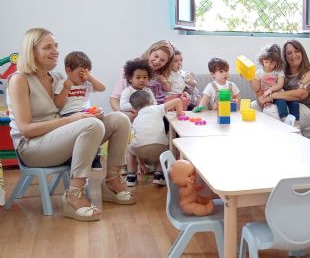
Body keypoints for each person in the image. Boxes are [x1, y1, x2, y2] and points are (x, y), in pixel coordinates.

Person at [7, 28, 134, 222]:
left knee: (119, 119)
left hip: (58, 138)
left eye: (56, 46)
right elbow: (26, 129)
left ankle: (111, 183)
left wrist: (90, 114)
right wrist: (74, 119)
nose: (56, 51)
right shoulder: (19, 80)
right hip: (32, 146)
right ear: (31, 51)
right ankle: (74, 195)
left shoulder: (57, 78)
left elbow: (83, 97)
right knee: (91, 125)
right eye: (48, 47)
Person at [53, 51, 106, 170]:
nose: (83, 76)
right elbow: (58, 104)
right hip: (69, 115)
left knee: (98, 125)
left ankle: (95, 157)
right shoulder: (62, 84)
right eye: (80, 73)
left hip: (86, 112)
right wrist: (66, 88)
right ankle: (74, 158)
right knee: (83, 132)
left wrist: (90, 78)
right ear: (68, 70)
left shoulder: (86, 83)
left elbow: (102, 88)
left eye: (86, 72)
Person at [126, 91, 184, 187]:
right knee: (167, 146)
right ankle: (159, 174)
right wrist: (179, 114)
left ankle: (131, 176)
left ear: (134, 109)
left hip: (140, 149)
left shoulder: (136, 119)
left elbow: (139, 140)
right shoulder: (157, 108)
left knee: (130, 150)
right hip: (160, 148)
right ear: (151, 101)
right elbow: (177, 100)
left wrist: (142, 164)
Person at [256, 40, 310, 130]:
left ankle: (294, 134)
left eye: (297, 51)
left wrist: (272, 96)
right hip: (282, 102)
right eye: (289, 53)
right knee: (253, 107)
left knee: (269, 112)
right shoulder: (280, 69)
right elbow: (263, 84)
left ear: (302, 52)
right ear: (285, 56)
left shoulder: (309, 72)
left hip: (302, 107)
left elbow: (301, 94)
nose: (294, 55)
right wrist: (263, 99)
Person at [110, 40, 174, 111]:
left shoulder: (162, 75)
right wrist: (124, 115)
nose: (157, 61)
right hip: (132, 112)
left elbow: (166, 94)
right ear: (150, 52)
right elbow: (114, 98)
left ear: (166, 63)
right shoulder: (133, 69)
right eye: (156, 56)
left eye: (162, 60)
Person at [251, 44, 297, 122]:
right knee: (280, 101)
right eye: (266, 62)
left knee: (289, 101)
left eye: (272, 63)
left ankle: (290, 119)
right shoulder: (259, 73)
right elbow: (256, 88)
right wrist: (250, 78)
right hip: (266, 96)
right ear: (262, 60)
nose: (268, 65)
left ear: (277, 63)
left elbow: (280, 85)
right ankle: (282, 118)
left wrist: (271, 89)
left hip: (278, 94)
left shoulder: (279, 71)